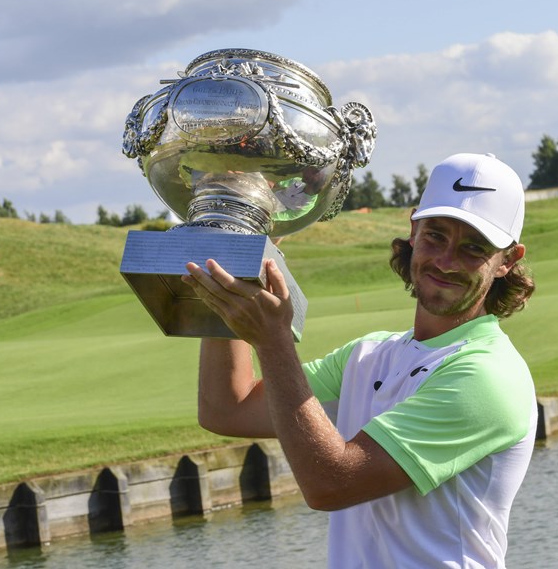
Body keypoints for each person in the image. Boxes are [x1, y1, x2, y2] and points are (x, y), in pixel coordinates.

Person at [182, 153, 537, 568]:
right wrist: (232, 260)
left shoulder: (488, 375)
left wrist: (273, 342)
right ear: (413, 230)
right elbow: (228, 408)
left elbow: (331, 485)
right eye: (435, 236)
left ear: (507, 261)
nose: (445, 261)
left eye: (473, 248)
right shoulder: (369, 356)